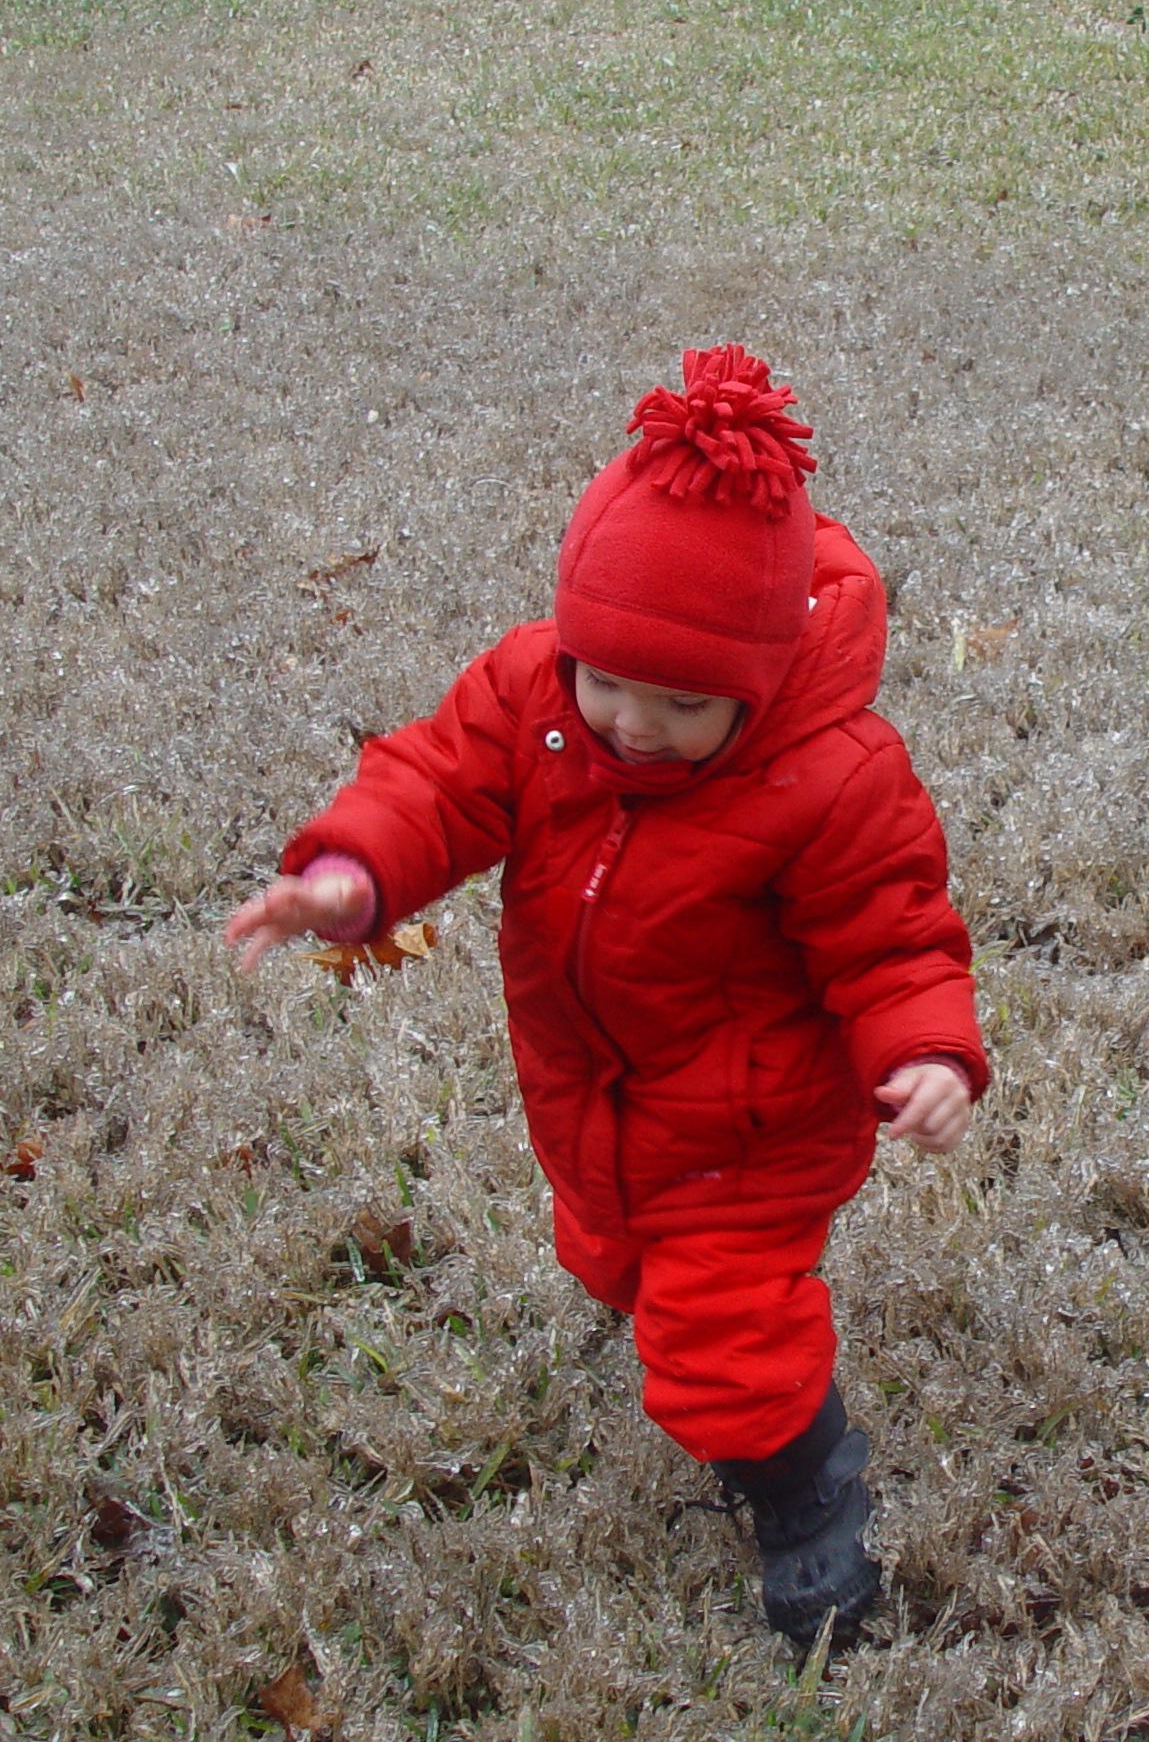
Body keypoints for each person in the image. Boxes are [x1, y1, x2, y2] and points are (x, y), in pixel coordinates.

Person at [225, 346, 988, 1648]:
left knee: (724, 1340)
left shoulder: (831, 779)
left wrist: (928, 1051)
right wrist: (355, 875)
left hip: (757, 1129)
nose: (632, 724)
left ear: (755, 681)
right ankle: (725, 1388)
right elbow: (436, 782)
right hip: (601, 1095)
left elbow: (892, 933)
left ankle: (810, 1496)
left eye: (685, 704)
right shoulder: (538, 695)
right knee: (617, 1257)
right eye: (607, 680)